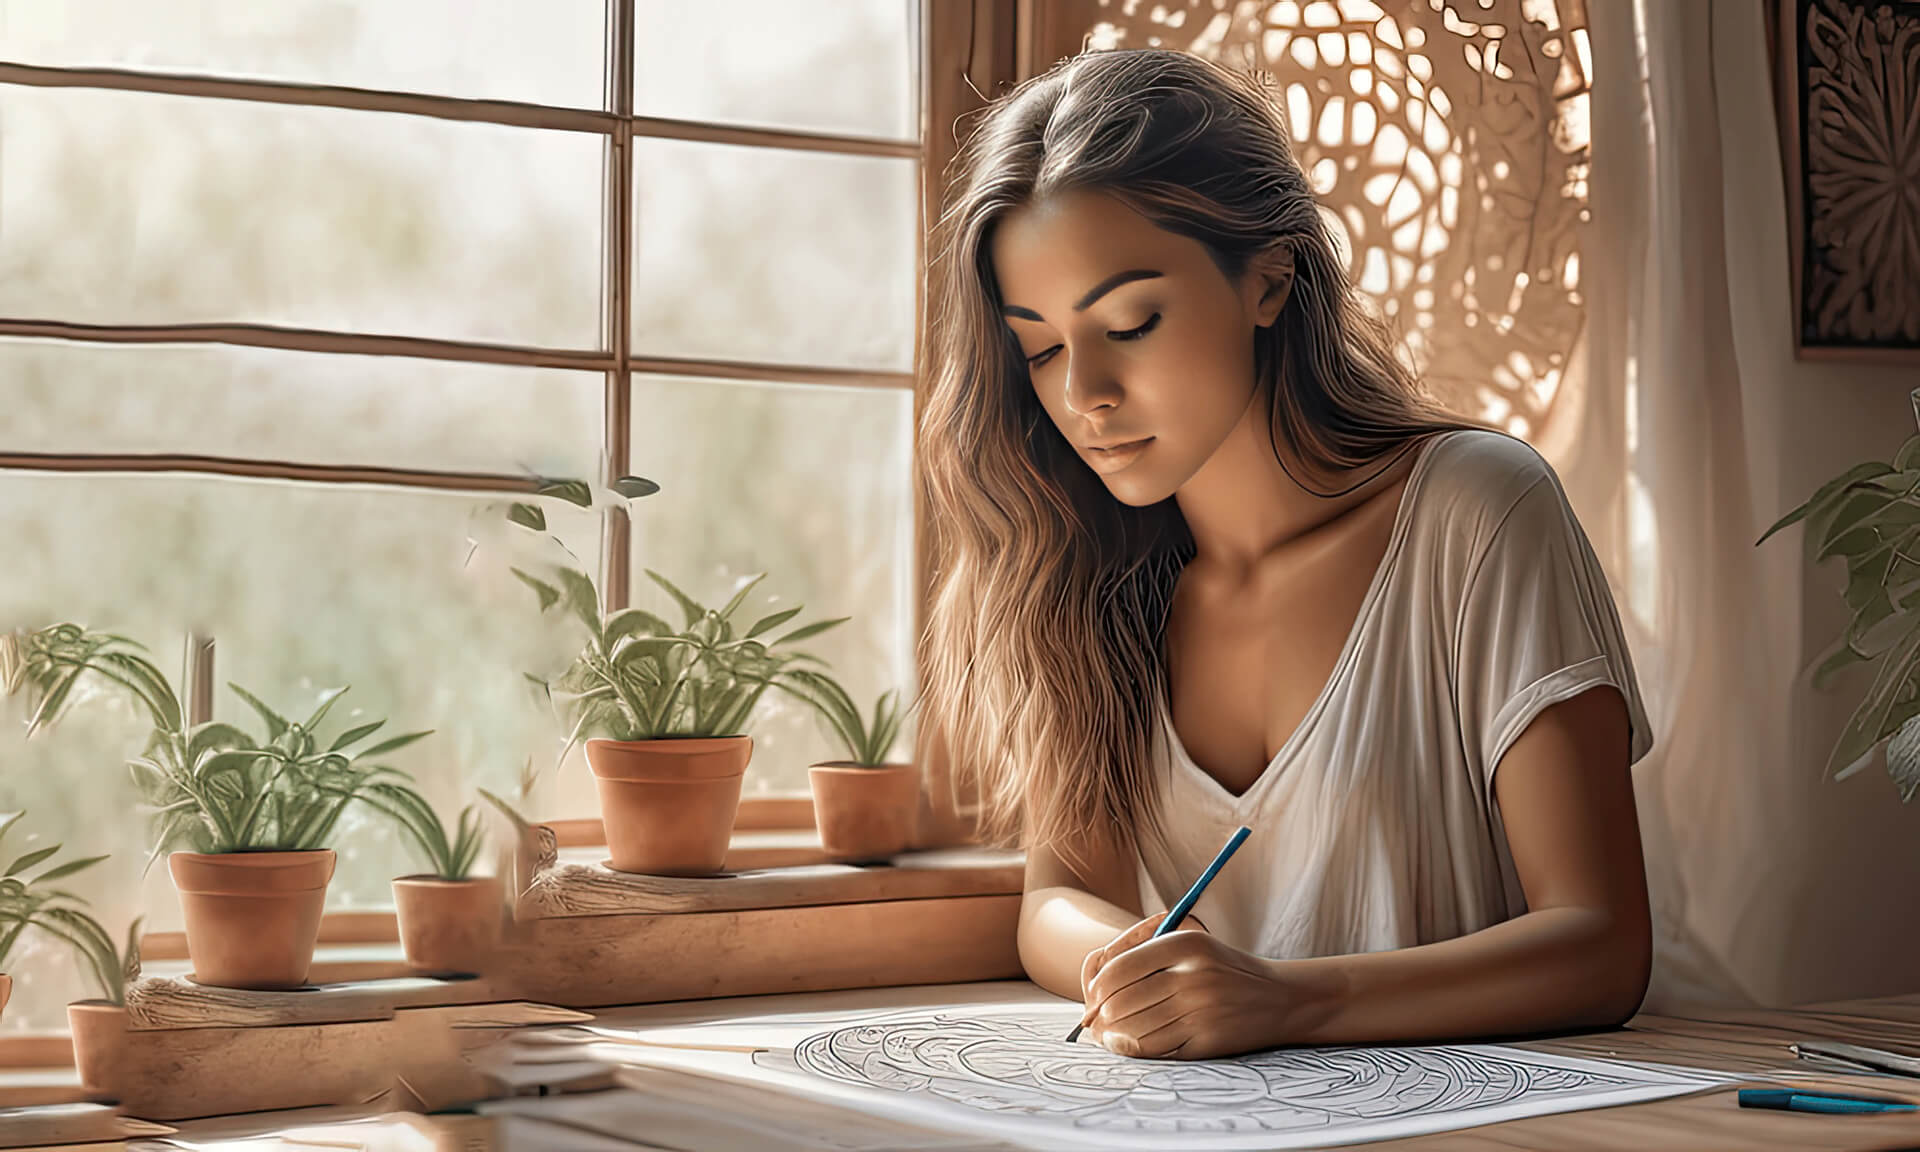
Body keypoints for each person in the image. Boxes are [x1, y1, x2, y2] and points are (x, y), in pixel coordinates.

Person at [914, 47, 1654, 1061]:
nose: (1083, 393)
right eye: (1039, 348)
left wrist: (1287, 1002)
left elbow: (1601, 947)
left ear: (1270, 280)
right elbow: (1059, 896)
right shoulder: (1092, 574)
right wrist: (1136, 970)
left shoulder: (1478, 512)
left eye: (1130, 322)